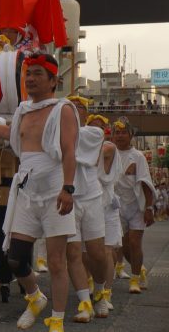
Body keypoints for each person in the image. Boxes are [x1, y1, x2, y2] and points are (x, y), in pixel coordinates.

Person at [0, 53, 79, 332]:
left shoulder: (62, 109)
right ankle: (35, 298)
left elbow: (68, 151)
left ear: (53, 80)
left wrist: (68, 188)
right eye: (28, 74)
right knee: (15, 257)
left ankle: (57, 319)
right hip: (27, 189)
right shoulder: (22, 110)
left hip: (54, 187)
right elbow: (10, 134)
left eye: (38, 73)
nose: (30, 79)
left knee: (55, 261)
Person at [65, 96, 108, 322]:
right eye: (69, 107)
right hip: (66, 197)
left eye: (78, 107)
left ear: (86, 114)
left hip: (91, 197)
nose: (73, 110)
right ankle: (84, 303)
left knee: (97, 254)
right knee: (72, 253)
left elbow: (65, 147)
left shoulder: (95, 133)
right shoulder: (57, 131)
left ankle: (100, 291)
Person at [111, 116, 156, 294]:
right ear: (112, 135)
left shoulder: (138, 156)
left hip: (136, 206)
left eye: (124, 133)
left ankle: (135, 279)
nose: (120, 136)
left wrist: (149, 209)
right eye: (117, 133)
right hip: (115, 206)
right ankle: (140, 268)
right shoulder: (108, 152)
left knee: (134, 242)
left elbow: (145, 183)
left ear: (130, 136)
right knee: (122, 246)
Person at [87, 114, 123, 313]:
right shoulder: (80, 148)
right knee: (85, 254)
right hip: (87, 204)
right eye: (90, 128)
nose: (94, 132)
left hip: (106, 206)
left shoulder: (109, 147)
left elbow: (95, 152)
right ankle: (92, 285)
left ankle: (105, 293)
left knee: (107, 251)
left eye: (99, 128)